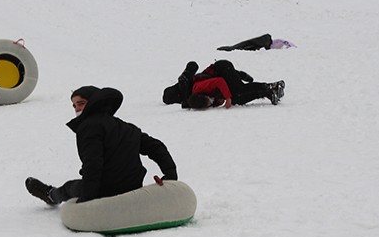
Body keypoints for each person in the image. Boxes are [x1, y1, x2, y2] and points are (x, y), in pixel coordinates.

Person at [26, 86, 178, 205]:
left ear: (93, 102)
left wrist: (87, 200)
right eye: (74, 106)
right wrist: (170, 174)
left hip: (104, 191)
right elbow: (156, 147)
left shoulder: (88, 127)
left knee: (69, 187)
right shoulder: (126, 127)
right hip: (133, 188)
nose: (77, 109)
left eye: (81, 103)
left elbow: (93, 164)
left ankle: (51, 195)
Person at [163, 60, 285, 109]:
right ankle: (268, 93)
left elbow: (219, 81)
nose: (211, 101)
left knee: (238, 90)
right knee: (238, 99)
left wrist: (227, 97)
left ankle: (272, 86)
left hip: (221, 68)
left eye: (209, 100)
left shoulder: (196, 88)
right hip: (223, 72)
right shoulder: (196, 98)